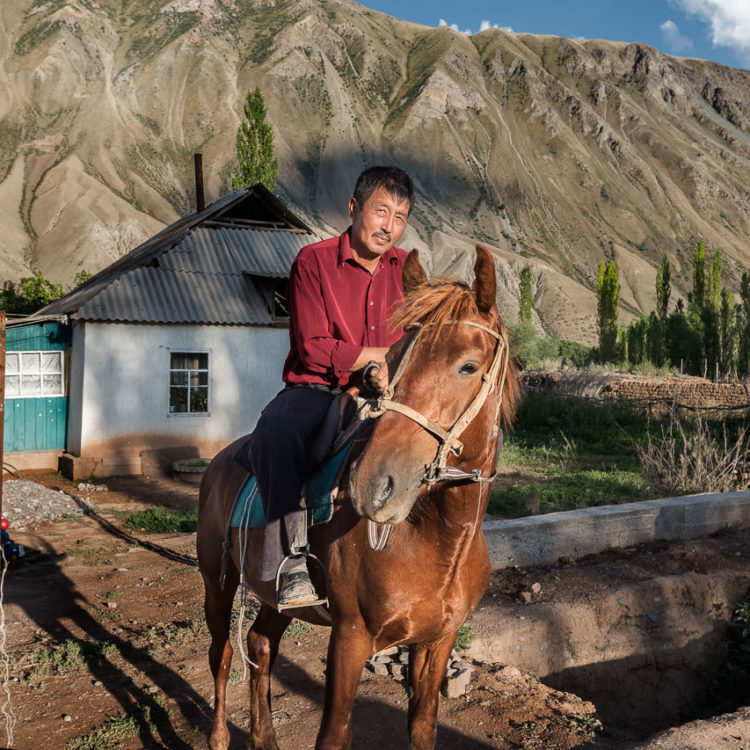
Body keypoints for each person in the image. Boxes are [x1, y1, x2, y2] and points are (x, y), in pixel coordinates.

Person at [247, 165, 415, 608]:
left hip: (385, 392)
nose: (389, 226)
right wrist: (376, 358)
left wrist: (389, 371)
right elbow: (313, 347)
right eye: (381, 211)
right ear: (354, 208)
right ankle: (288, 564)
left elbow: (415, 337)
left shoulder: (407, 269)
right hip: (318, 389)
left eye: (400, 217)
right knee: (277, 431)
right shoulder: (314, 262)